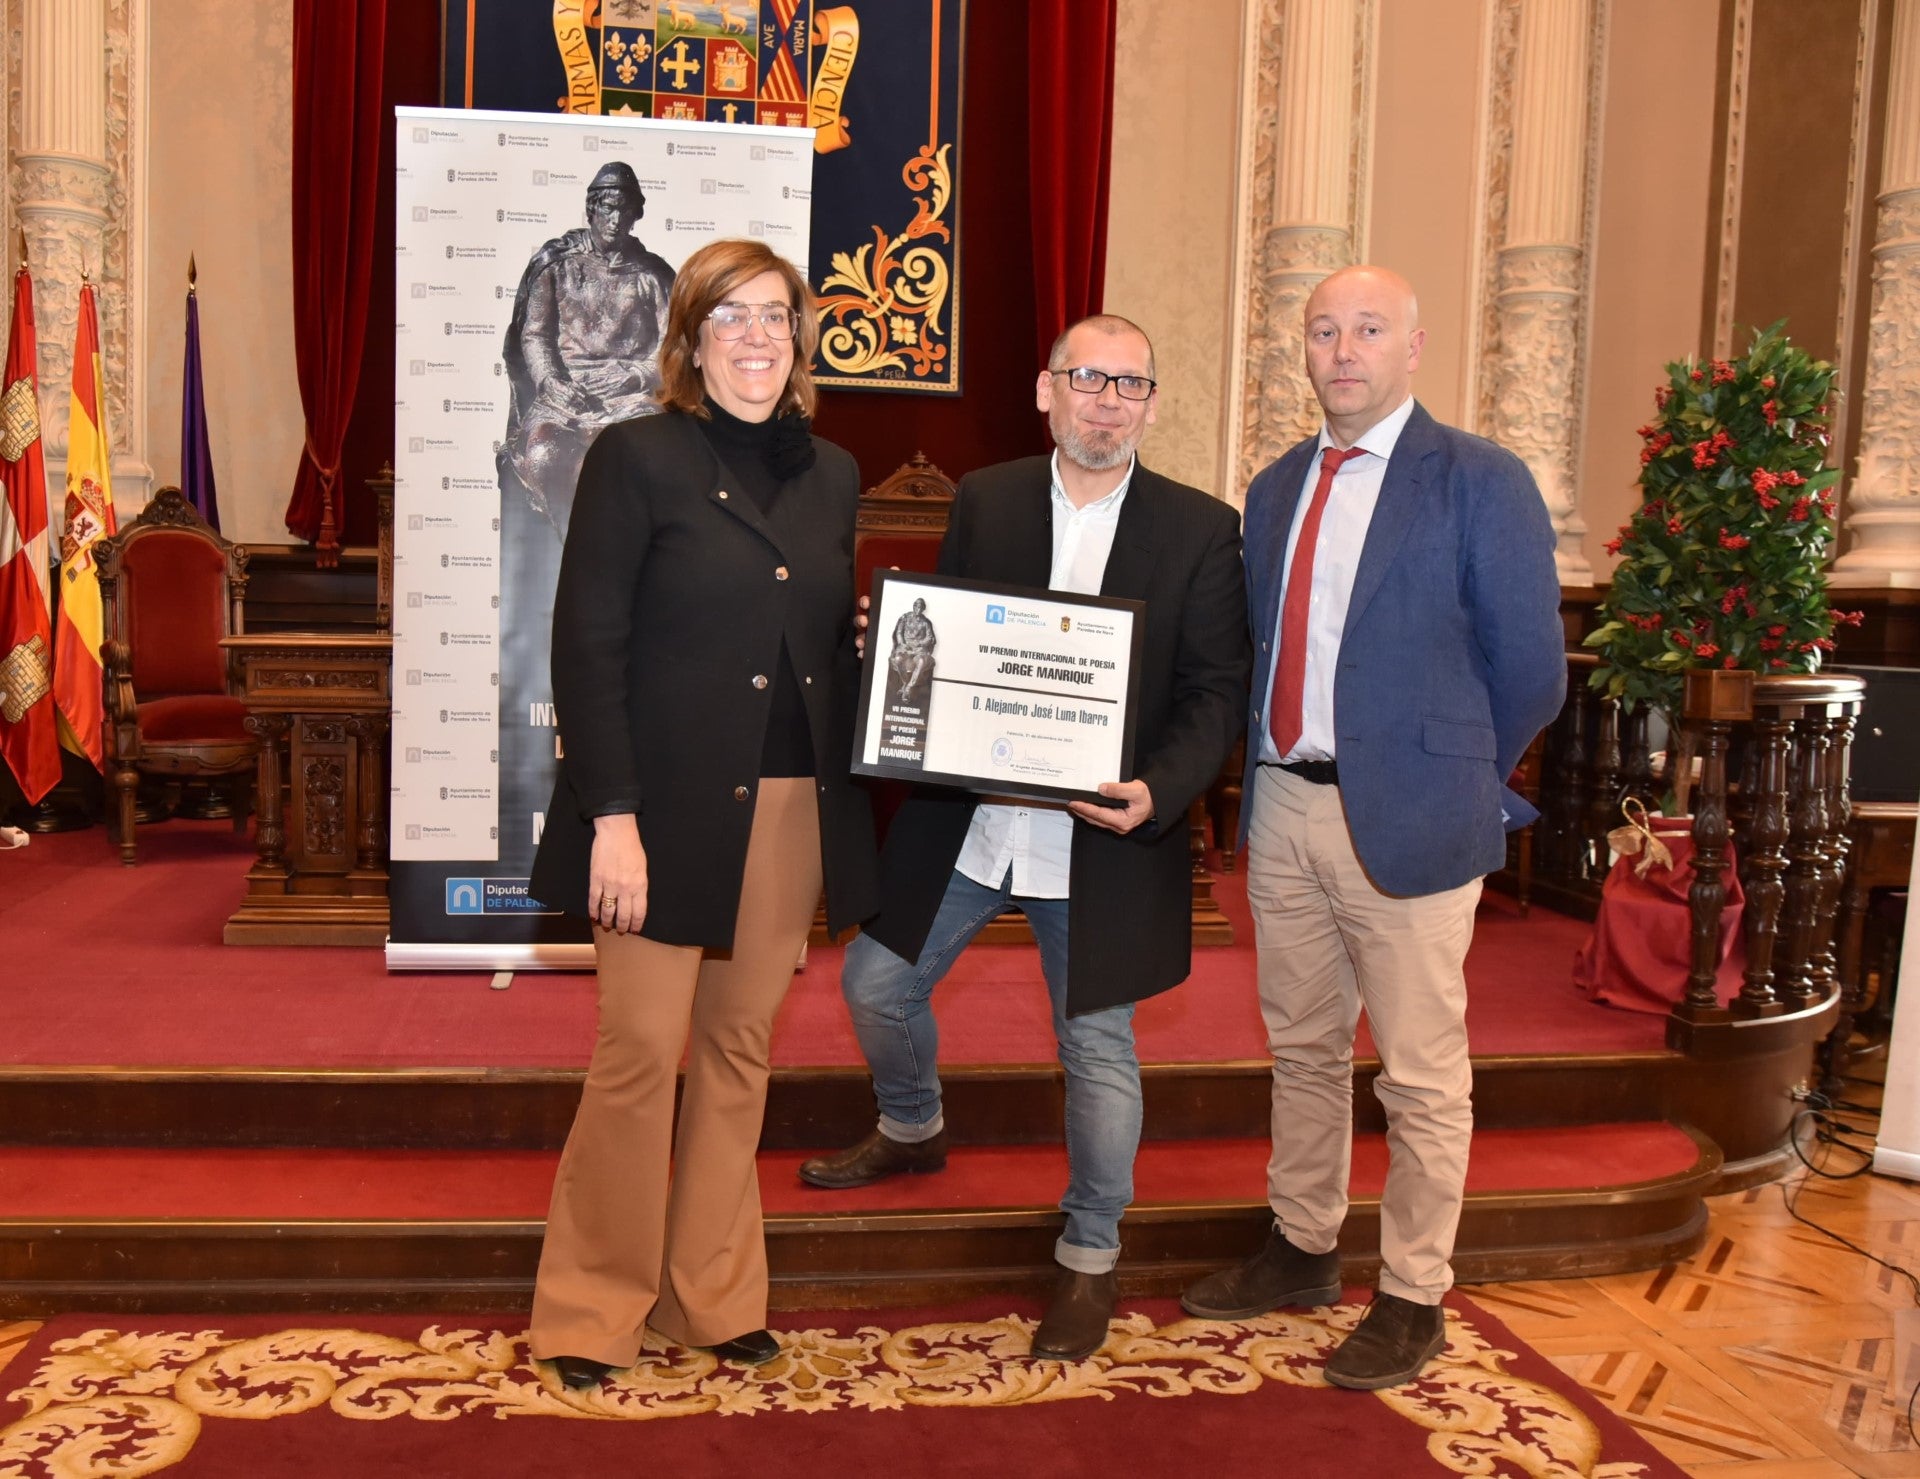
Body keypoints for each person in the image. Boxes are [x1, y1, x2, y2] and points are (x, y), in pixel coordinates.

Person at [798, 314, 1251, 1361]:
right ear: (1047, 391)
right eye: (1087, 378)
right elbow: (947, 637)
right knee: (874, 983)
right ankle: (913, 1126)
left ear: (1149, 403)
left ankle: (1090, 1256)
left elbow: (1215, 692)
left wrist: (1159, 790)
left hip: (1105, 833)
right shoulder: (989, 497)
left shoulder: (1199, 528)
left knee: (1095, 1046)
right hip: (977, 818)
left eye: (1130, 384)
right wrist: (893, 650)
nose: (1107, 400)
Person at [1179, 265, 1565, 1389]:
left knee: (1419, 1074)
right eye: (1323, 331)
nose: (1343, 350)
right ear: (1304, 352)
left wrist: (1456, 772)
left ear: (1413, 345)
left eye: (1368, 330)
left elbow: (1532, 669)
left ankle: (1412, 1292)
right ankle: (1302, 1245)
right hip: (1285, 802)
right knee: (1302, 1050)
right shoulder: (1274, 485)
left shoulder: (1479, 480)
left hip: (1413, 818)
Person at [525, 238, 880, 1391]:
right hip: (657, 811)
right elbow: (588, 648)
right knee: (636, 1059)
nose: (757, 337)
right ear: (688, 339)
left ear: (800, 335)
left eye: (776, 315)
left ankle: (710, 1298)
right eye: (729, 316)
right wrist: (610, 818)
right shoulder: (635, 458)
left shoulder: (833, 473)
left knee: (738, 1056)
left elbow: (826, 644)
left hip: (787, 812)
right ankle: (590, 1312)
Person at [499, 160, 676, 543]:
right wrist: (550, 381)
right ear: (592, 209)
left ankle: (618, 554)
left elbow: (672, 345)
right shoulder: (556, 266)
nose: (615, 219)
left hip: (630, 399)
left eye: (624, 210)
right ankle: (570, 550)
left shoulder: (654, 276)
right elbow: (535, 335)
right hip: (565, 396)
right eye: (607, 208)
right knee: (544, 456)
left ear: (636, 215)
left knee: (640, 460)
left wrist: (638, 374)